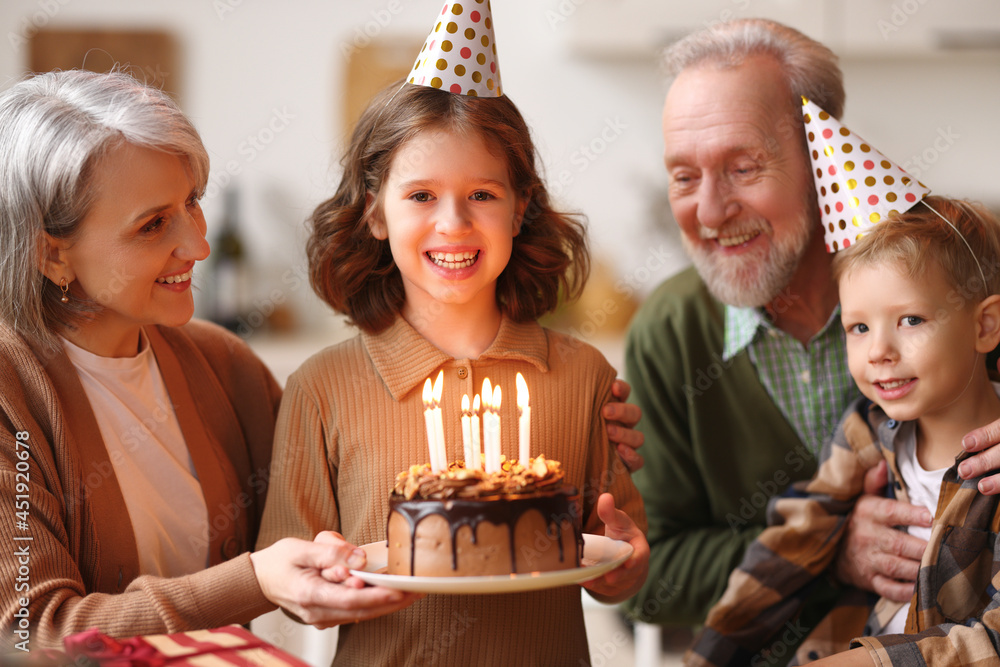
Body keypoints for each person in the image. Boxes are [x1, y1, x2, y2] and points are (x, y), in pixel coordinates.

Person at [0, 69, 424, 652]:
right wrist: (253, 582)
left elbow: (341, 526)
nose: (198, 245)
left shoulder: (222, 363)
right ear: (52, 253)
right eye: (153, 224)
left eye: (192, 202)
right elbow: (32, 633)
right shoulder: (9, 392)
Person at [255, 73, 650, 666]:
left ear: (520, 210)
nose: (453, 224)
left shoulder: (584, 376)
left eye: (483, 195)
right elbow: (289, 581)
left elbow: (613, 561)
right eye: (420, 196)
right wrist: (325, 575)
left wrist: (625, 567)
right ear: (375, 213)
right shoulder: (321, 387)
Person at [622, 18, 1000, 630]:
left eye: (743, 168)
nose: (710, 211)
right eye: (685, 177)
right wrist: (825, 552)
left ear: (818, 162)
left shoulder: (963, 272)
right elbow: (646, 572)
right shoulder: (668, 333)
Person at [686, 195, 1000, 666]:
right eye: (858, 327)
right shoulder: (865, 431)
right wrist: (707, 658)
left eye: (910, 320)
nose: (878, 351)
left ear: (985, 325)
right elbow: (789, 549)